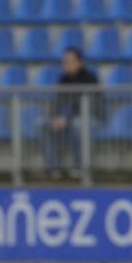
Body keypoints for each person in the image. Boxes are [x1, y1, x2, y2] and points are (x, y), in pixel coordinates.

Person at [44, 46, 100, 179]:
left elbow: (87, 106)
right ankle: (53, 167)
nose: (66, 64)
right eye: (64, 61)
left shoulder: (89, 79)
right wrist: (55, 117)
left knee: (77, 125)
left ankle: (78, 166)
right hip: (66, 119)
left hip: (90, 118)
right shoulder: (63, 79)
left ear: (80, 62)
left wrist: (66, 118)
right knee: (43, 124)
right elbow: (59, 102)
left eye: (69, 61)